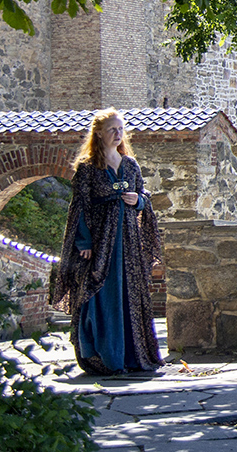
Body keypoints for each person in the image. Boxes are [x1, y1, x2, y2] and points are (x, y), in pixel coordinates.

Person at [51, 108, 163, 375]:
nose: (117, 134)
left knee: (130, 294)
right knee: (100, 294)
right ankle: (102, 355)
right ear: (99, 133)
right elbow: (79, 207)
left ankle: (132, 355)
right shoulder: (88, 168)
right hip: (101, 244)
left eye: (120, 129)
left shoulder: (130, 165)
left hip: (128, 242)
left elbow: (144, 198)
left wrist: (139, 201)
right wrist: (84, 242)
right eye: (112, 129)